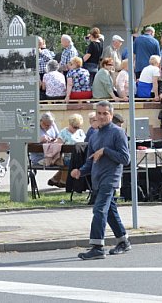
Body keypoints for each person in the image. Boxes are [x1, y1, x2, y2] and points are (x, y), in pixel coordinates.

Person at [71, 100, 131, 260]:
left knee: (99, 210)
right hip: (97, 179)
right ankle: (123, 241)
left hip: (110, 179)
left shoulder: (118, 132)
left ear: (111, 115)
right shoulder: (94, 135)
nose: (102, 116)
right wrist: (80, 171)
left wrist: (105, 151)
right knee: (109, 211)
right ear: (95, 115)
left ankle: (97, 247)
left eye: (105, 113)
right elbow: (91, 161)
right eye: (99, 113)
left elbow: (126, 158)